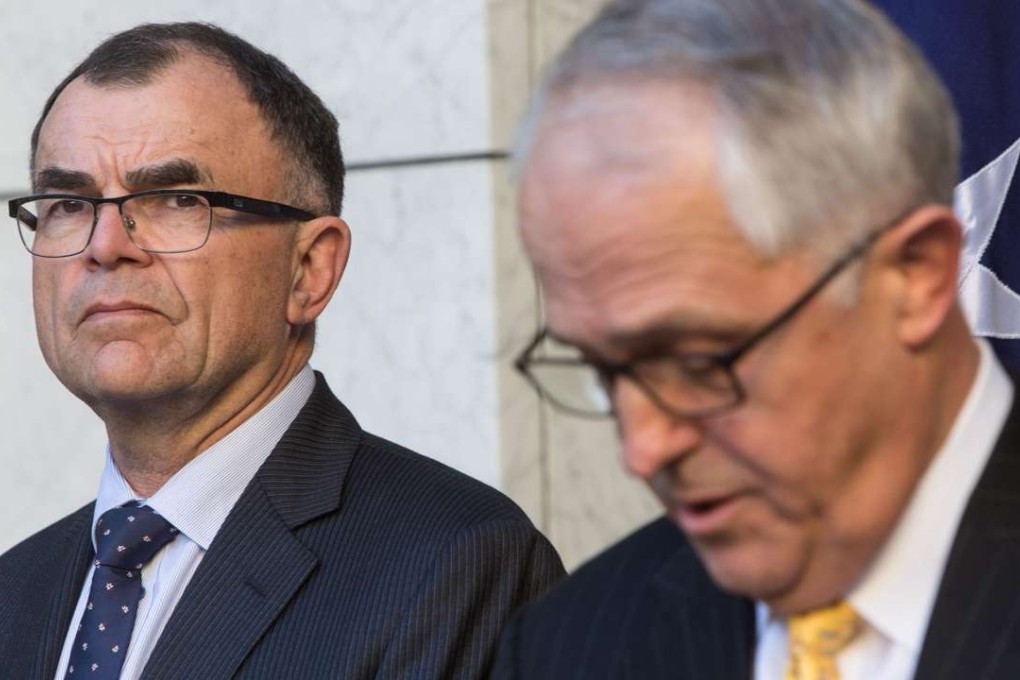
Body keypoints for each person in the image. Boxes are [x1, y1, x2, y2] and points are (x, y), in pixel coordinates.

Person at [0, 22, 563, 679]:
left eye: (178, 199)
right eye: (70, 202)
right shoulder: (17, 590)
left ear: (309, 270)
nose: (105, 245)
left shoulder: (458, 565)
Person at [494, 0, 1020, 678]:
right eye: (604, 370)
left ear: (915, 275)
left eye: (696, 361)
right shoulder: (566, 646)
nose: (642, 449)